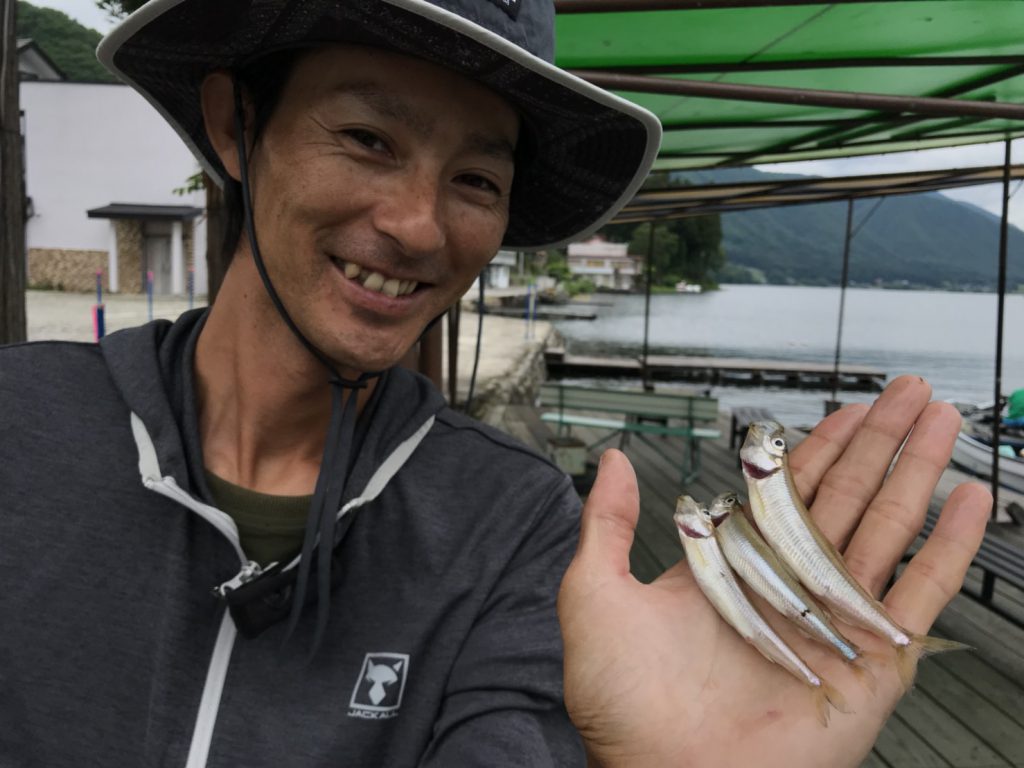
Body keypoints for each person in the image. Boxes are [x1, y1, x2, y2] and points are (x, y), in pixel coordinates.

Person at [0, 2, 990, 768]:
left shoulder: (514, 527)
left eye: (476, 181)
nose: (420, 226)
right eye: (368, 139)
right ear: (235, 125)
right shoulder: (21, 425)